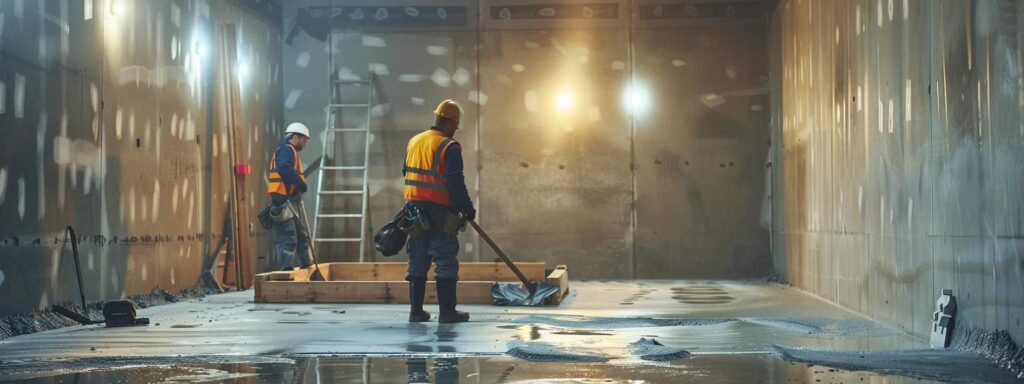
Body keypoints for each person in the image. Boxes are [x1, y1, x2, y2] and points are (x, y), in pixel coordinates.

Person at [403, 100, 476, 324]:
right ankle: (447, 312)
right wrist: (467, 207)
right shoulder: (449, 146)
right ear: (450, 122)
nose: (455, 130)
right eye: (456, 125)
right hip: (439, 212)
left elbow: (406, 171)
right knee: (445, 260)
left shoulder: (414, 141)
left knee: (417, 260)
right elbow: (455, 181)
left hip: (412, 210)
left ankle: (416, 312)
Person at [267, 122, 313, 271]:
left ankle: (307, 265)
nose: (305, 144)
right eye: (304, 140)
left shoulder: (290, 151)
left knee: (301, 235)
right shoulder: (286, 150)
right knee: (288, 238)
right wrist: (300, 183)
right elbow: (284, 169)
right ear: (295, 137)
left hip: (290, 198)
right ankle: (286, 271)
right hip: (282, 199)